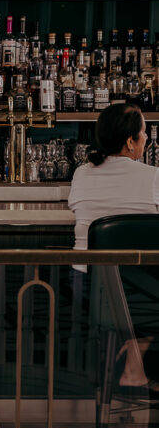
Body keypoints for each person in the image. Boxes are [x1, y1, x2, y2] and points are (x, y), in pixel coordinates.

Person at [68, 102, 159, 387]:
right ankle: (136, 354)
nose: (147, 139)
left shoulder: (81, 174)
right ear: (130, 141)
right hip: (141, 294)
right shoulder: (153, 177)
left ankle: (133, 356)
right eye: (144, 134)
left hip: (88, 288)